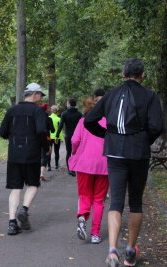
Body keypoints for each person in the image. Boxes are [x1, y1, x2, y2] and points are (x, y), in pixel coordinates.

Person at [84, 58, 164, 267]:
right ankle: (129, 251)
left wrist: (107, 135)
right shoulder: (150, 96)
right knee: (136, 201)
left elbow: (89, 120)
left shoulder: (109, 95)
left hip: (115, 154)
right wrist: (142, 141)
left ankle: (112, 251)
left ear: (123, 75)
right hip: (138, 154)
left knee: (116, 202)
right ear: (142, 76)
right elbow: (156, 126)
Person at [0, 82, 49, 235]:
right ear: (34, 94)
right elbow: (41, 131)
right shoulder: (38, 111)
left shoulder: (11, 110)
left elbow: (2, 132)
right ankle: (24, 209)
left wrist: (14, 136)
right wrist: (45, 148)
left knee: (16, 188)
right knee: (33, 184)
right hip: (32, 154)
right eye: (40, 95)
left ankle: (12, 223)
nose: (40, 99)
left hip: (14, 154)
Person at [68, 97, 108, 245]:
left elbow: (74, 141)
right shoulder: (110, 122)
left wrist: (75, 153)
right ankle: (95, 233)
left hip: (84, 163)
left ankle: (82, 217)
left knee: (85, 195)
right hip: (104, 165)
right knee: (99, 200)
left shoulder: (82, 121)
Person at [55, 98, 82, 176]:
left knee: (68, 152)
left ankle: (70, 169)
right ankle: (76, 168)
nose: (66, 104)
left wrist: (57, 136)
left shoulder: (64, 113)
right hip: (77, 136)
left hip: (68, 135)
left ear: (69, 104)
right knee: (76, 152)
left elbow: (60, 126)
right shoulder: (79, 114)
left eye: (67, 103)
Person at [39, 103, 55, 181]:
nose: (50, 110)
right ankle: (42, 173)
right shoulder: (48, 119)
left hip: (37, 139)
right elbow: (53, 130)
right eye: (49, 108)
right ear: (46, 109)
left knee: (38, 156)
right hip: (46, 138)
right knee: (45, 155)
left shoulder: (37, 118)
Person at [49, 105, 63, 170]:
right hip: (57, 137)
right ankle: (56, 165)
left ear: (52, 110)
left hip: (49, 137)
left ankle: (49, 166)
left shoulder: (49, 118)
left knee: (49, 151)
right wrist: (61, 138)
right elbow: (60, 130)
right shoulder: (59, 119)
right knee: (56, 151)